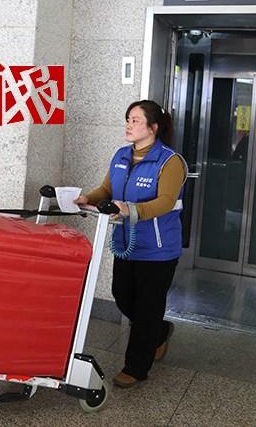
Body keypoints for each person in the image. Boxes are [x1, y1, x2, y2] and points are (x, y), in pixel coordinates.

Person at [75, 100, 187, 388]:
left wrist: (130, 210)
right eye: (128, 119)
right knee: (122, 295)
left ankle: (136, 367)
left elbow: (166, 201)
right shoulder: (121, 155)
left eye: (135, 120)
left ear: (153, 127)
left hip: (158, 249)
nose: (128, 125)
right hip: (126, 243)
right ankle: (159, 331)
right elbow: (107, 189)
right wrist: (87, 198)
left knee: (148, 308)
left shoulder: (170, 162)